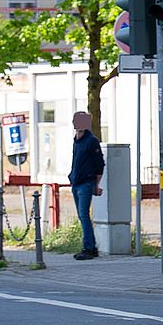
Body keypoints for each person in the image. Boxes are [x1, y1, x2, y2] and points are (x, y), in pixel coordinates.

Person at [68, 111, 104, 260]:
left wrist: (96, 184)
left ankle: (88, 248)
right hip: (76, 182)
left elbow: (100, 164)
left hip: (86, 183)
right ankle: (91, 246)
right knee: (81, 216)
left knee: (84, 214)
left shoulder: (92, 141)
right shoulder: (76, 140)